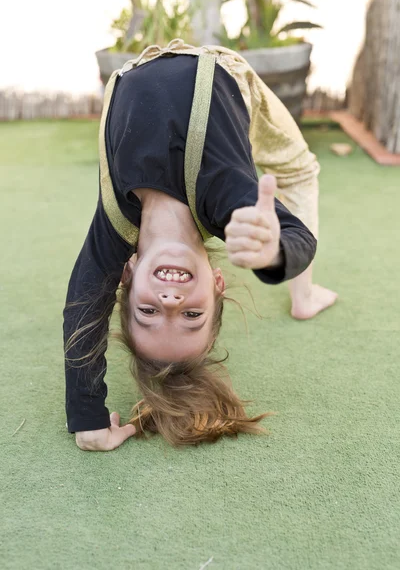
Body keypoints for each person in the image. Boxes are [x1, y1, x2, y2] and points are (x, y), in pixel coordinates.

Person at [63, 40, 334, 451]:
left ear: (126, 276)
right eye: (192, 314)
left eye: (149, 311)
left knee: (296, 175)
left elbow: (82, 309)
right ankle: (303, 295)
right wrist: (273, 253)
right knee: (298, 173)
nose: (171, 299)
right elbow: (300, 238)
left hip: (143, 61)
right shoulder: (225, 197)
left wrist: (89, 420)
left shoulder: (115, 226)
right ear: (217, 282)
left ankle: (305, 297)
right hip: (223, 71)